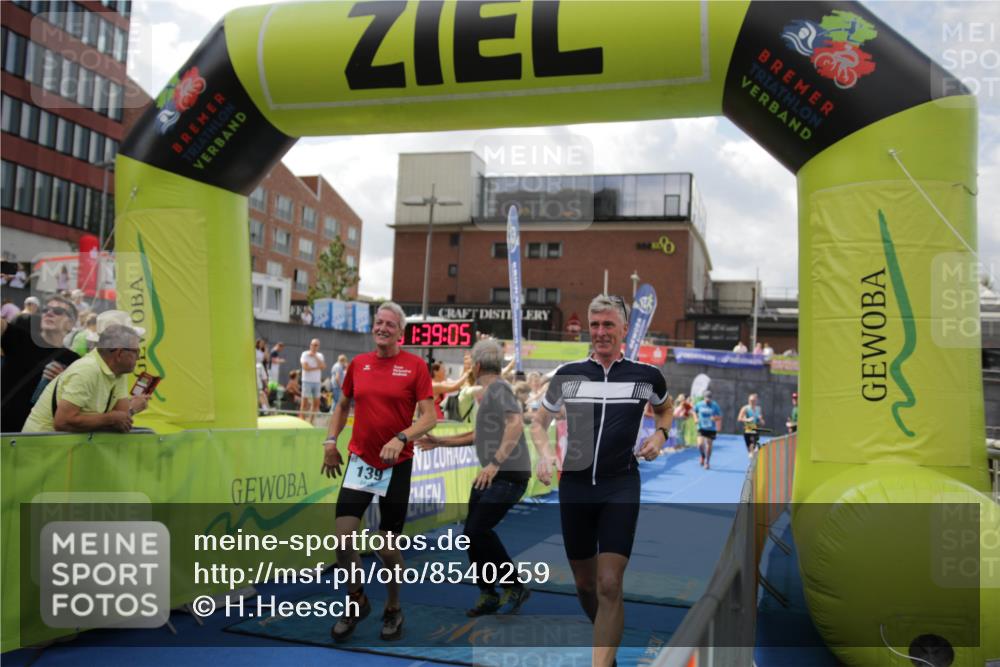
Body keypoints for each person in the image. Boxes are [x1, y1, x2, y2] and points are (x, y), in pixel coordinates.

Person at [530, 295, 672, 667]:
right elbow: (538, 424)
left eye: (609, 325)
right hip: (575, 486)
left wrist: (659, 436)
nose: (600, 332)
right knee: (585, 585)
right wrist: (546, 454)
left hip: (620, 484)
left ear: (624, 329)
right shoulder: (567, 374)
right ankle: (605, 641)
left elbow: (665, 408)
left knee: (610, 583)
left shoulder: (646, 377)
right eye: (595, 325)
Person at [321, 302, 436, 642]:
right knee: (343, 537)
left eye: (389, 324)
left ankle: (393, 606)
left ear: (400, 331)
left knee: (386, 547)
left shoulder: (415, 367)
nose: (382, 328)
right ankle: (356, 599)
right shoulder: (359, 364)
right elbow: (342, 405)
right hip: (360, 462)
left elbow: (429, 417)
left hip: (396, 466)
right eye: (378, 322)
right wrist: (331, 441)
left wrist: (401, 438)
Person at [416, 338, 533, 617]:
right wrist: (440, 442)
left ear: (477, 366)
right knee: (471, 535)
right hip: (495, 475)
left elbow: (515, 423)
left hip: (507, 475)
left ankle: (513, 586)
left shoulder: (499, 389)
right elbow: (478, 435)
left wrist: (493, 463)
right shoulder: (491, 391)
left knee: (475, 531)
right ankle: (488, 592)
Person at [22, 317, 149, 433]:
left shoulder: (118, 371)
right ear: (120, 353)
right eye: (136, 352)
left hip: (63, 449)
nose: (138, 357)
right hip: (39, 450)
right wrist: (111, 418)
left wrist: (124, 413)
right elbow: (63, 422)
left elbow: (121, 416)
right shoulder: (87, 370)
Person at [1, 296, 80, 432]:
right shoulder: (22, 338)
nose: (49, 313)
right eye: (45, 310)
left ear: (70, 324)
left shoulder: (75, 361)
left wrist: (63, 382)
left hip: (33, 436)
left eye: (58, 311)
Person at [693, 390, 723, 469]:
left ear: (711, 398)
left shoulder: (715, 405)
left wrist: (715, 418)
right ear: (704, 398)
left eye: (709, 399)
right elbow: (693, 412)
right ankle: (703, 455)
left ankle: (707, 461)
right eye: (706, 399)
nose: (708, 400)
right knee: (700, 444)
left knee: (709, 444)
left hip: (711, 428)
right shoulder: (699, 404)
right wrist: (696, 418)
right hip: (701, 427)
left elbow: (720, 416)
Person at [299, 338, 326, 423]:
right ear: (310, 345)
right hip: (307, 381)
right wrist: (318, 367)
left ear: (318, 347)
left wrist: (315, 356)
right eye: (313, 345)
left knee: (316, 403)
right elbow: (305, 368)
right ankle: (302, 421)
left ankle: (311, 421)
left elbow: (323, 366)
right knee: (304, 403)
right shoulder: (305, 354)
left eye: (316, 345)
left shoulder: (320, 355)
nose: (314, 347)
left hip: (317, 382)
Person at [737, 393, 765, 457]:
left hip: (755, 429)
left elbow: (761, 420)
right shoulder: (745, 408)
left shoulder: (758, 409)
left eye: (754, 400)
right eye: (751, 400)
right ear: (748, 400)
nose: (752, 402)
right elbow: (739, 418)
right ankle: (751, 456)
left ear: (756, 401)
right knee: (750, 449)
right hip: (747, 429)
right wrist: (747, 420)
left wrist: (761, 420)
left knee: (753, 446)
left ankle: (753, 457)